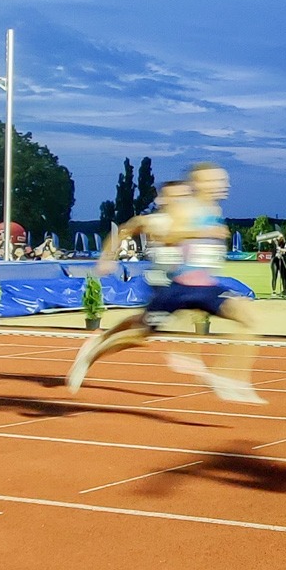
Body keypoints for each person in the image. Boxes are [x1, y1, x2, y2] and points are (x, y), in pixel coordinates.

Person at [67, 168, 263, 403]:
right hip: (168, 284)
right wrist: (107, 256)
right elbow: (132, 230)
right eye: (217, 179)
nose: (224, 184)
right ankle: (94, 351)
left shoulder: (212, 209)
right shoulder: (163, 218)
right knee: (138, 334)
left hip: (202, 285)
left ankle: (223, 375)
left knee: (245, 318)